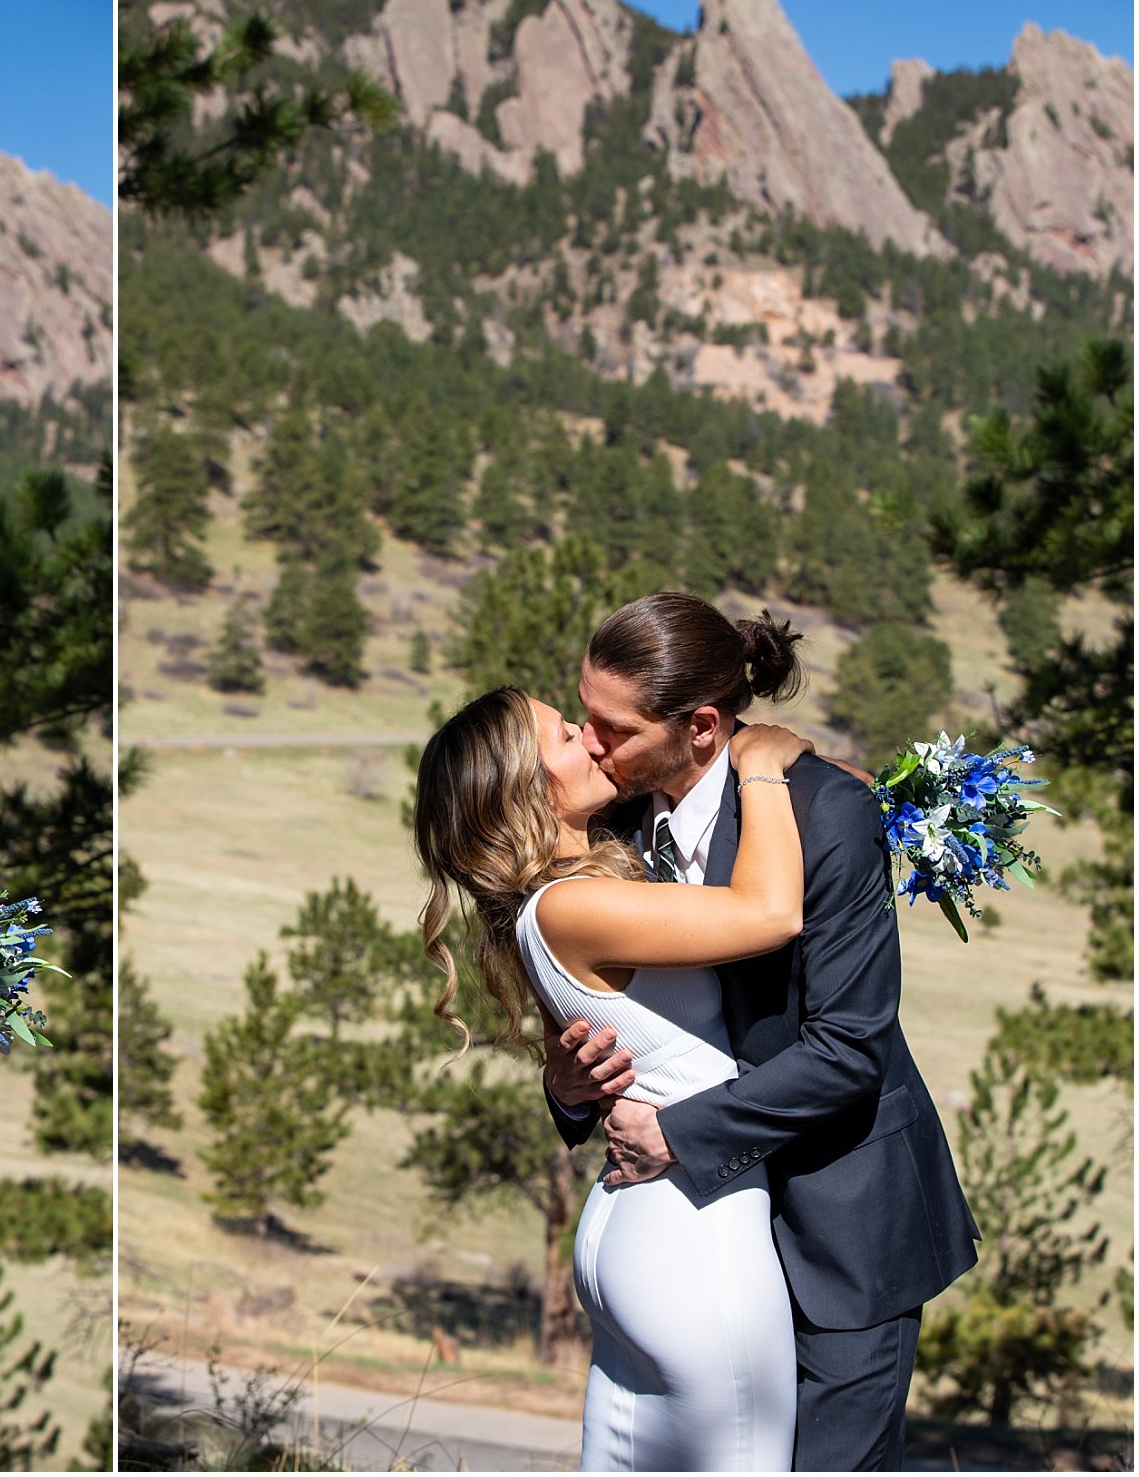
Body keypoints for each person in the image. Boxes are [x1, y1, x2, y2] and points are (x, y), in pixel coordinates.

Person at [546, 593, 978, 1470]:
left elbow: (848, 1048)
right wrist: (568, 1086)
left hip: (844, 1226)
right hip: (705, 1245)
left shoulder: (827, 813)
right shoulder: (618, 822)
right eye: (584, 716)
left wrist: (677, 1132)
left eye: (614, 728)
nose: (591, 743)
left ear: (702, 726)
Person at [418, 684, 816, 1469]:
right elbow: (772, 912)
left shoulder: (554, 901)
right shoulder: (571, 906)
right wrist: (764, 764)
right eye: (566, 736)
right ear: (530, 794)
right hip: (695, 1233)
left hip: (639, 1223)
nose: (591, 735)